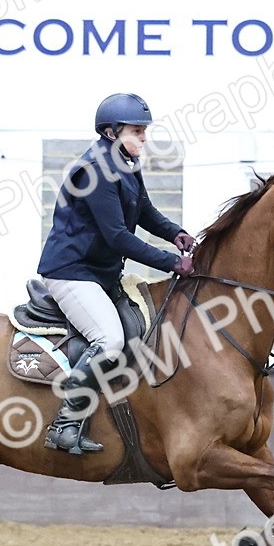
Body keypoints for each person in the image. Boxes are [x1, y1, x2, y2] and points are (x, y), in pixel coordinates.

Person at [37, 93, 196, 455]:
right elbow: (118, 237)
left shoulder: (125, 162)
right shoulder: (94, 170)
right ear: (111, 132)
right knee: (108, 340)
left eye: (144, 132)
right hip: (72, 273)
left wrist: (176, 233)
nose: (143, 138)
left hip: (100, 273)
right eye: (137, 131)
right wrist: (172, 262)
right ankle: (65, 423)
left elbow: (145, 212)